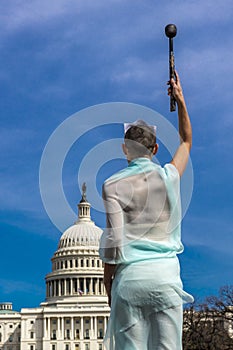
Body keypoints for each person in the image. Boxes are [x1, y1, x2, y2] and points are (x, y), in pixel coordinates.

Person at [99, 71, 194, 350]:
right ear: (153, 148)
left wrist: (109, 290)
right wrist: (180, 98)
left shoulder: (111, 185)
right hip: (165, 277)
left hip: (130, 280)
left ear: (124, 150)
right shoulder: (168, 176)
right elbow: (186, 141)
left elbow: (114, 244)